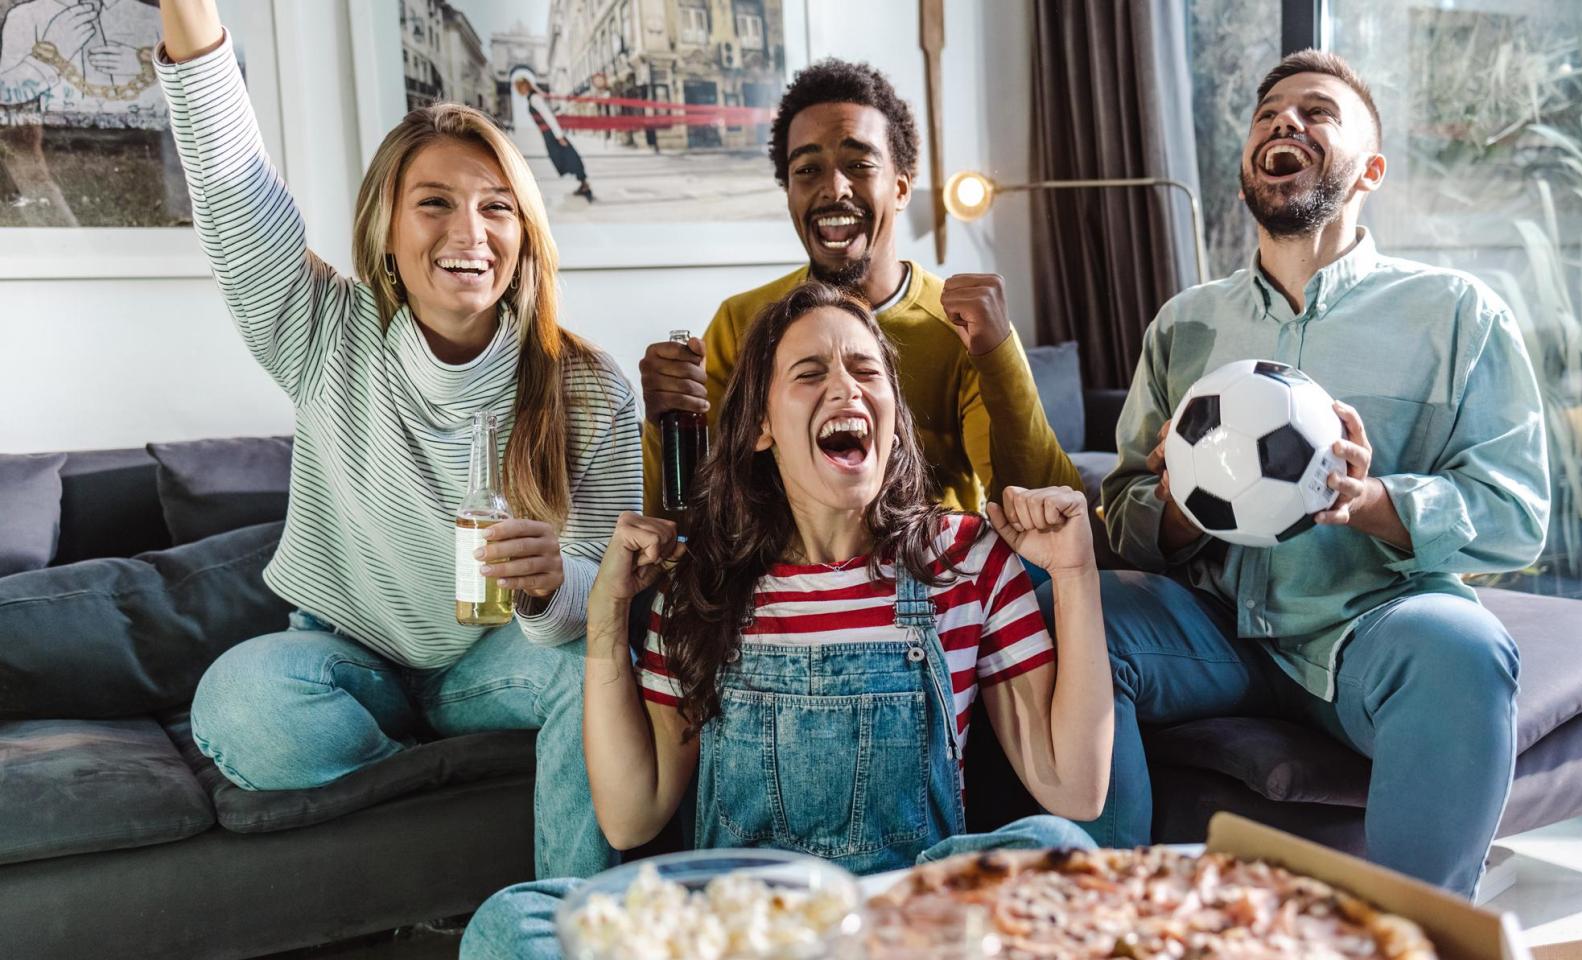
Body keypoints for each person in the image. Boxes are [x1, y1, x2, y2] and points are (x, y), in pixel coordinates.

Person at [460, 281, 1113, 959]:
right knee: (514, 920)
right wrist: (607, 615)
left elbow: (1076, 787)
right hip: (742, 932)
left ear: (893, 410)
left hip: (899, 928)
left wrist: (1074, 574)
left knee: (1057, 851)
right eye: (810, 373)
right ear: (763, 426)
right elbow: (632, 811)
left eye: (866, 370)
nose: (847, 389)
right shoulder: (701, 583)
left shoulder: (965, 561)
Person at [155, 0, 641, 880]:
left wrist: (548, 583)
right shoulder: (323, 331)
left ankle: (571, 918)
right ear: (386, 229)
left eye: (497, 207)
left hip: (494, 665)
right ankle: (423, 781)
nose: (469, 232)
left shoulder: (587, 387)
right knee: (241, 703)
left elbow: (605, 608)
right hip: (348, 662)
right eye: (434, 204)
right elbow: (232, 185)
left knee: (596, 676)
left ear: (525, 235)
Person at [1097, 50, 1550, 897]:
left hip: (1370, 628)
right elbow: (1122, 507)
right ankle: (1111, 915)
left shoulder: (1458, 315)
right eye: (1268, 114)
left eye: (1316, 112)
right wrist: (1179, 508)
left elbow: (1516, 512)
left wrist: (1373, 501)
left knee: (1463, 647)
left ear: (1370, 169)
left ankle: (1421, 939)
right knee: (1073, 616)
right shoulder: (1185, 324)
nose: (1284, 123)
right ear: (1244, 176)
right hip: (1214, 626)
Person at [638, 59, 1080, 519]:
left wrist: (998, 355)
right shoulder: (741, 321)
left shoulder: (962, 328)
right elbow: (684, 519)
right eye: (807, 170)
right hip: (783, 584)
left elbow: (1048, 507)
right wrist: (666, 419)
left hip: (933, 576)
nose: (834, 188)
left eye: (859, 164)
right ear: (788, 192)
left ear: (902, 187)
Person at [512, 71, 594, 203]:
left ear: (523, 86)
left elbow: (548, 116)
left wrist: (559, 135)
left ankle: (585, 185)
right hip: (548, 134)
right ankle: (583, 183)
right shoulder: (532, 97)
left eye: (518, 87)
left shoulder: (534, 98)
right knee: (563, 156)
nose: (517, 90)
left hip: (551, 134)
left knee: (568, 156)